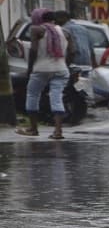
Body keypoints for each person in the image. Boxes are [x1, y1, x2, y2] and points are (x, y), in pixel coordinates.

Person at [16, 8, 70, 139]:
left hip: (41, 68)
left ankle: (33, 129)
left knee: (33, 94)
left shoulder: (36, 29)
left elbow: (34, 50)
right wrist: (63, 64)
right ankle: (58, 131)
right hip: (61, 69)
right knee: (56, 97)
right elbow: (73, 51)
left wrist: (30, 69)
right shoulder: (65, 31)